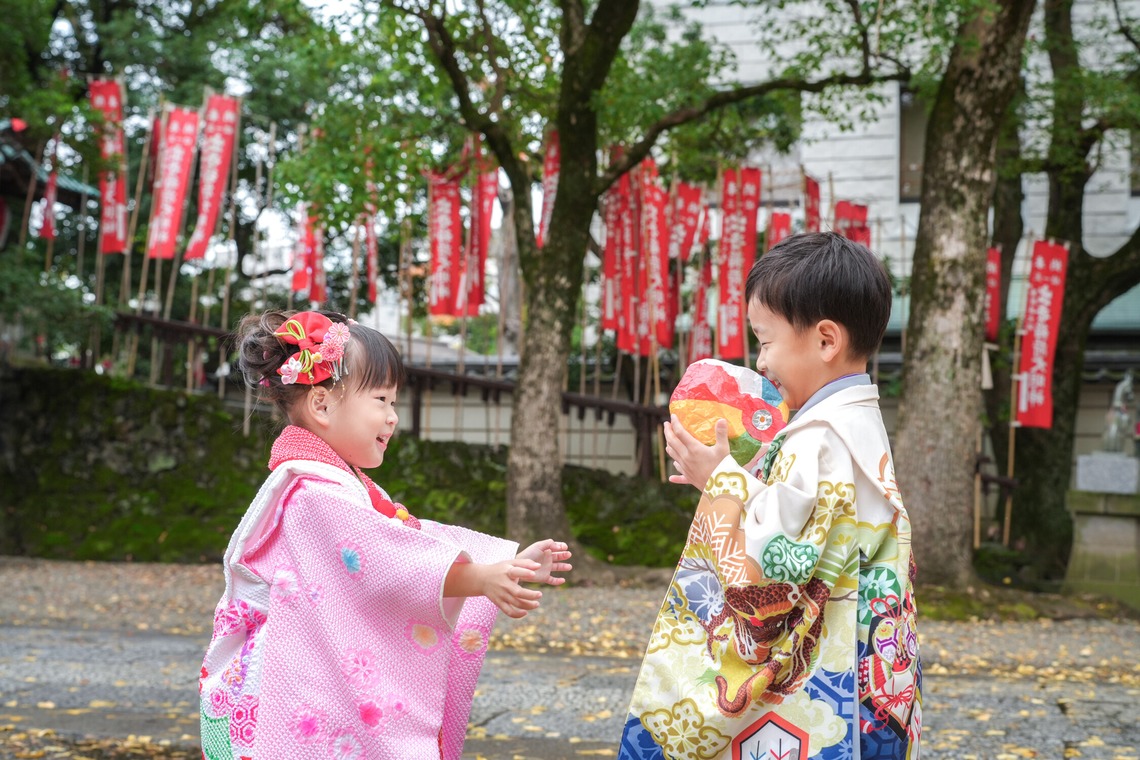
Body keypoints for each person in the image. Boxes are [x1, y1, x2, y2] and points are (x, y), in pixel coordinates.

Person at [198, 310, 571, 760]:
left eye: (394, 402)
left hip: (291, 679)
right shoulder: (315, 493)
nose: (393, 417)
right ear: (321, 404)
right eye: (381, 399)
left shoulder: (331, 483)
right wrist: (481, 578)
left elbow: (404, 539)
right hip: (279, 692)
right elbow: (384, 560)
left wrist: (507, 564)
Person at [618, 232, 921, 759]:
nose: (760, 363)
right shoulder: (858, 422)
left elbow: (777, 568)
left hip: (826, 681)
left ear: (826, 341)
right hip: (870, 675)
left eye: (765, 341)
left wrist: (721, 483)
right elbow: (818, 534)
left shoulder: (820, 437)